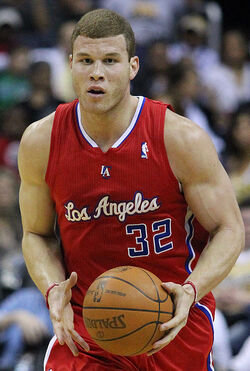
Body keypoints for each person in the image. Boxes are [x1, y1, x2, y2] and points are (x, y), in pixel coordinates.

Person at [18, 9, 244, 371]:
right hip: (87, 329)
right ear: (70, 64)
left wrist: (191, 290)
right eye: (86, 61)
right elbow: (35, 234)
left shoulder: (179, 137)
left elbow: (230, 228)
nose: (97, 72)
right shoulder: (41, 142)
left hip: (171, 322)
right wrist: (51, 287)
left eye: (110, 60)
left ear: (133, 67)